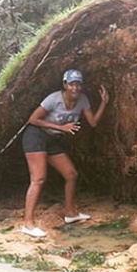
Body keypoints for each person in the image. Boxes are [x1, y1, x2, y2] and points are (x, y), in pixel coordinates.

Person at [20, 68, 109, 238]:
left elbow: (93, 123)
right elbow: (33, 119)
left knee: (71, 174)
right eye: (72, 84)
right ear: (65, 84)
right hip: (35, 136)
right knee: (38, 179)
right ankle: (28, 224)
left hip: (52, 140)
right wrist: (61, 127)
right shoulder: (54, 99)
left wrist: (104, 102)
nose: (75, 88)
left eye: (78, 85)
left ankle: (70, 213)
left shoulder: (82, 100)